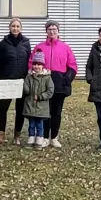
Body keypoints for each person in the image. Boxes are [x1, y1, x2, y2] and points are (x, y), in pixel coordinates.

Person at [35, 20, 77, 148]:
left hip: (59, 85)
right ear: (46, 31)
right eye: (49, 29)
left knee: (57, 112)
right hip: (44, 85)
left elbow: (73, 66)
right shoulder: (40, 47)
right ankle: (44, 136)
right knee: (45, 112)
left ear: (58, 31)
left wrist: (66, 79)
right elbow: (32, 63)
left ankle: (54, 137)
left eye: (54, 29)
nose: (52, 31)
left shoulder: (65, 47)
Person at [0, 18, 32, 145]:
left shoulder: (26, 43)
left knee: (20, 109)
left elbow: (29, 61)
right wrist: (4, 78)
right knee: (2, 108)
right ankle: (1, 134)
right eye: (13, 26)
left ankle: (17, 135)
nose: (15, 28)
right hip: (7, 81)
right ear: (10, 27)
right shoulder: (3, 44)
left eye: (18, 26)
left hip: (22, 81)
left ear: (21, 28)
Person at [21, 52, 54, 148]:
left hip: (41, 106)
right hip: (30, 104)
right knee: (31, 123)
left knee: (39, 123)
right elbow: (26, 90)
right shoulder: (28, 77)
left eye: (39, 64)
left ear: (42, 65)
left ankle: (40, 137)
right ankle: (31, 136)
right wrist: (23, 85)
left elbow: (50, 91)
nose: (36, 66)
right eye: (35, 64)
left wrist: (40, 96)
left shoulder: (47, 77)